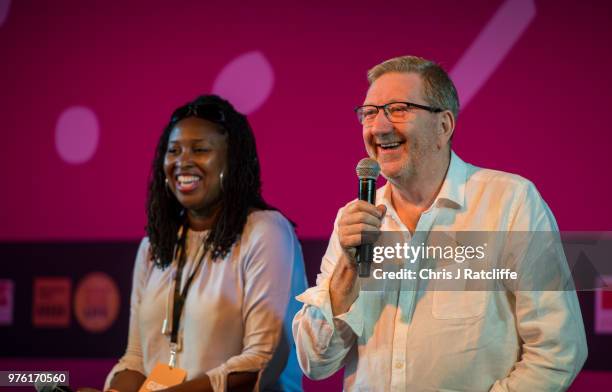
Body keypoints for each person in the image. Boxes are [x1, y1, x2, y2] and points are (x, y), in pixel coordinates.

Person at [292, 56, 587, 391]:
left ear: (444, 126)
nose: (379, 127)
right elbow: (315, 362)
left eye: (398, 109)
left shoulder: (510, 202)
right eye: (369, 113)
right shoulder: (356, 219)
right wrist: (347, 267)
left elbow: (558, 348)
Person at [104, 95, 307, 392]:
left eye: (200, 150)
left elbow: (261, 362)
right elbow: (136, 359)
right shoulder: (153, 246)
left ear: (232, 163)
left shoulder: (265, 231)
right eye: (173, 151)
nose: (183, 162)